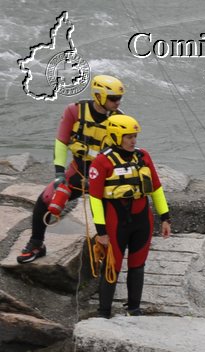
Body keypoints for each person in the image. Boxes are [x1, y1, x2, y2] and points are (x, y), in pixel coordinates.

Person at [16, 73, 125, 264]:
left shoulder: (121, 119)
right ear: (99, 96)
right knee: (46, 200)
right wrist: (59, 173)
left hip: (106, 176)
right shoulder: (74, 111)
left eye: (119, 98)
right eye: (113, 98)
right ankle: (37, 244)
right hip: (79, 171)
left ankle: (112, 250)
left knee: (112, 214)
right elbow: (61, 141)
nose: (117, 102)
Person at [86, 114, 173, 319]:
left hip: (142, 220)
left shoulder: (143, 156)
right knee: (112, 266)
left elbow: (157, 189)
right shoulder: (102, 162)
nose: (133, 140)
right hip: (115, 223)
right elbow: (95, 199)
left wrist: (165, 218)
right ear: (116, 136)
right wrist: (101, 232)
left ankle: (134, 309)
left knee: (138, 265)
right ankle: (103, 312)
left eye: (134, 136)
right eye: (128, 137)